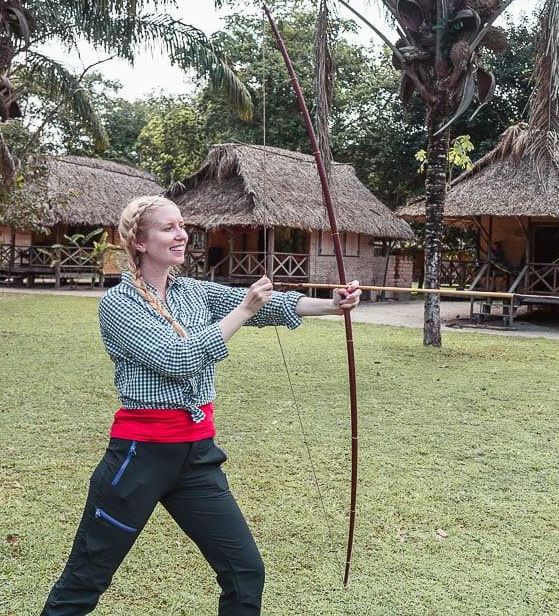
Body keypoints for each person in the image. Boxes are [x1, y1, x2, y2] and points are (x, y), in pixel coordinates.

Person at [41, 196, 360, 616]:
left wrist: (331, 305)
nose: (181, 234)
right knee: (87, 578)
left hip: (197, 458)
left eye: (181, 225)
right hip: (139, 459)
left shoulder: (193, 292)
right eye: (167, 227)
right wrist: (243, 310)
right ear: (139, 241)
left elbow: (270, 306)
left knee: (245, 571)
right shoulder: (118, 304)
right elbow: (178, 359)